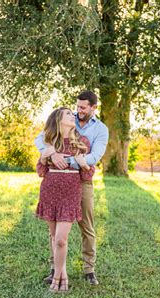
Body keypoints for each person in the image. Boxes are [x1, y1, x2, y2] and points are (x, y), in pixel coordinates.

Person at [35, 90, 109, 285]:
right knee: (55, 230)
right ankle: (55, 269)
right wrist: (51, 153)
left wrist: (74, 161)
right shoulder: (68, 118)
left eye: (83, 107)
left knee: (87, 224)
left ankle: (89, 269)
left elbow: (94, 157)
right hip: (56, 183)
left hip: (81, 180)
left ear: (93, 108)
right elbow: (41, 139)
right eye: (77, 106)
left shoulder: (101, 129)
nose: (79, 111)